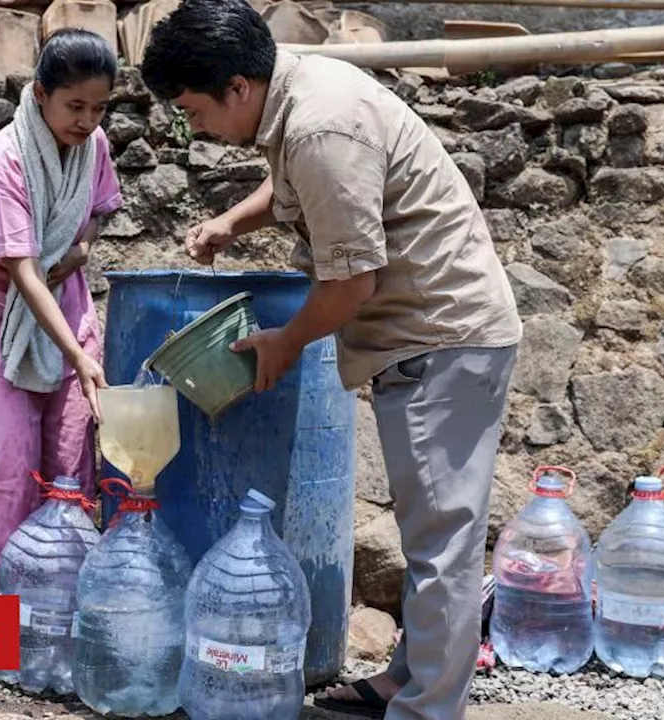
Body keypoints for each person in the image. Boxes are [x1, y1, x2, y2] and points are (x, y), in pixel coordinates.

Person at [139, 2, 522, 718]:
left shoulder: (319, 125)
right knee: (428, 529)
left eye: (194, 112)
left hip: (443, 338)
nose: (196, 129)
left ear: (238, 87)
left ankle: (427, 708)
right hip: (424, 335)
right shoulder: (296, 94)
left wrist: (285, 343)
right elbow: (296, 189)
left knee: (444, 542)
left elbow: (350, 284)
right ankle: (407, 682)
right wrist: (231, 221)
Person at [0, 28, 122, 596]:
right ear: (40, 93)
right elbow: (25, 271)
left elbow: (97, 209)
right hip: (1, 327)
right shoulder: (4, 162)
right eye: (75, 106)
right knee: (11, 480)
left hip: (66, 311)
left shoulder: (93, 147)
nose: (87, 120)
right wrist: (77, 354)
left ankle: (61, 614)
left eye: (99, 107)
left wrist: (85, 246)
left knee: (72, 471)